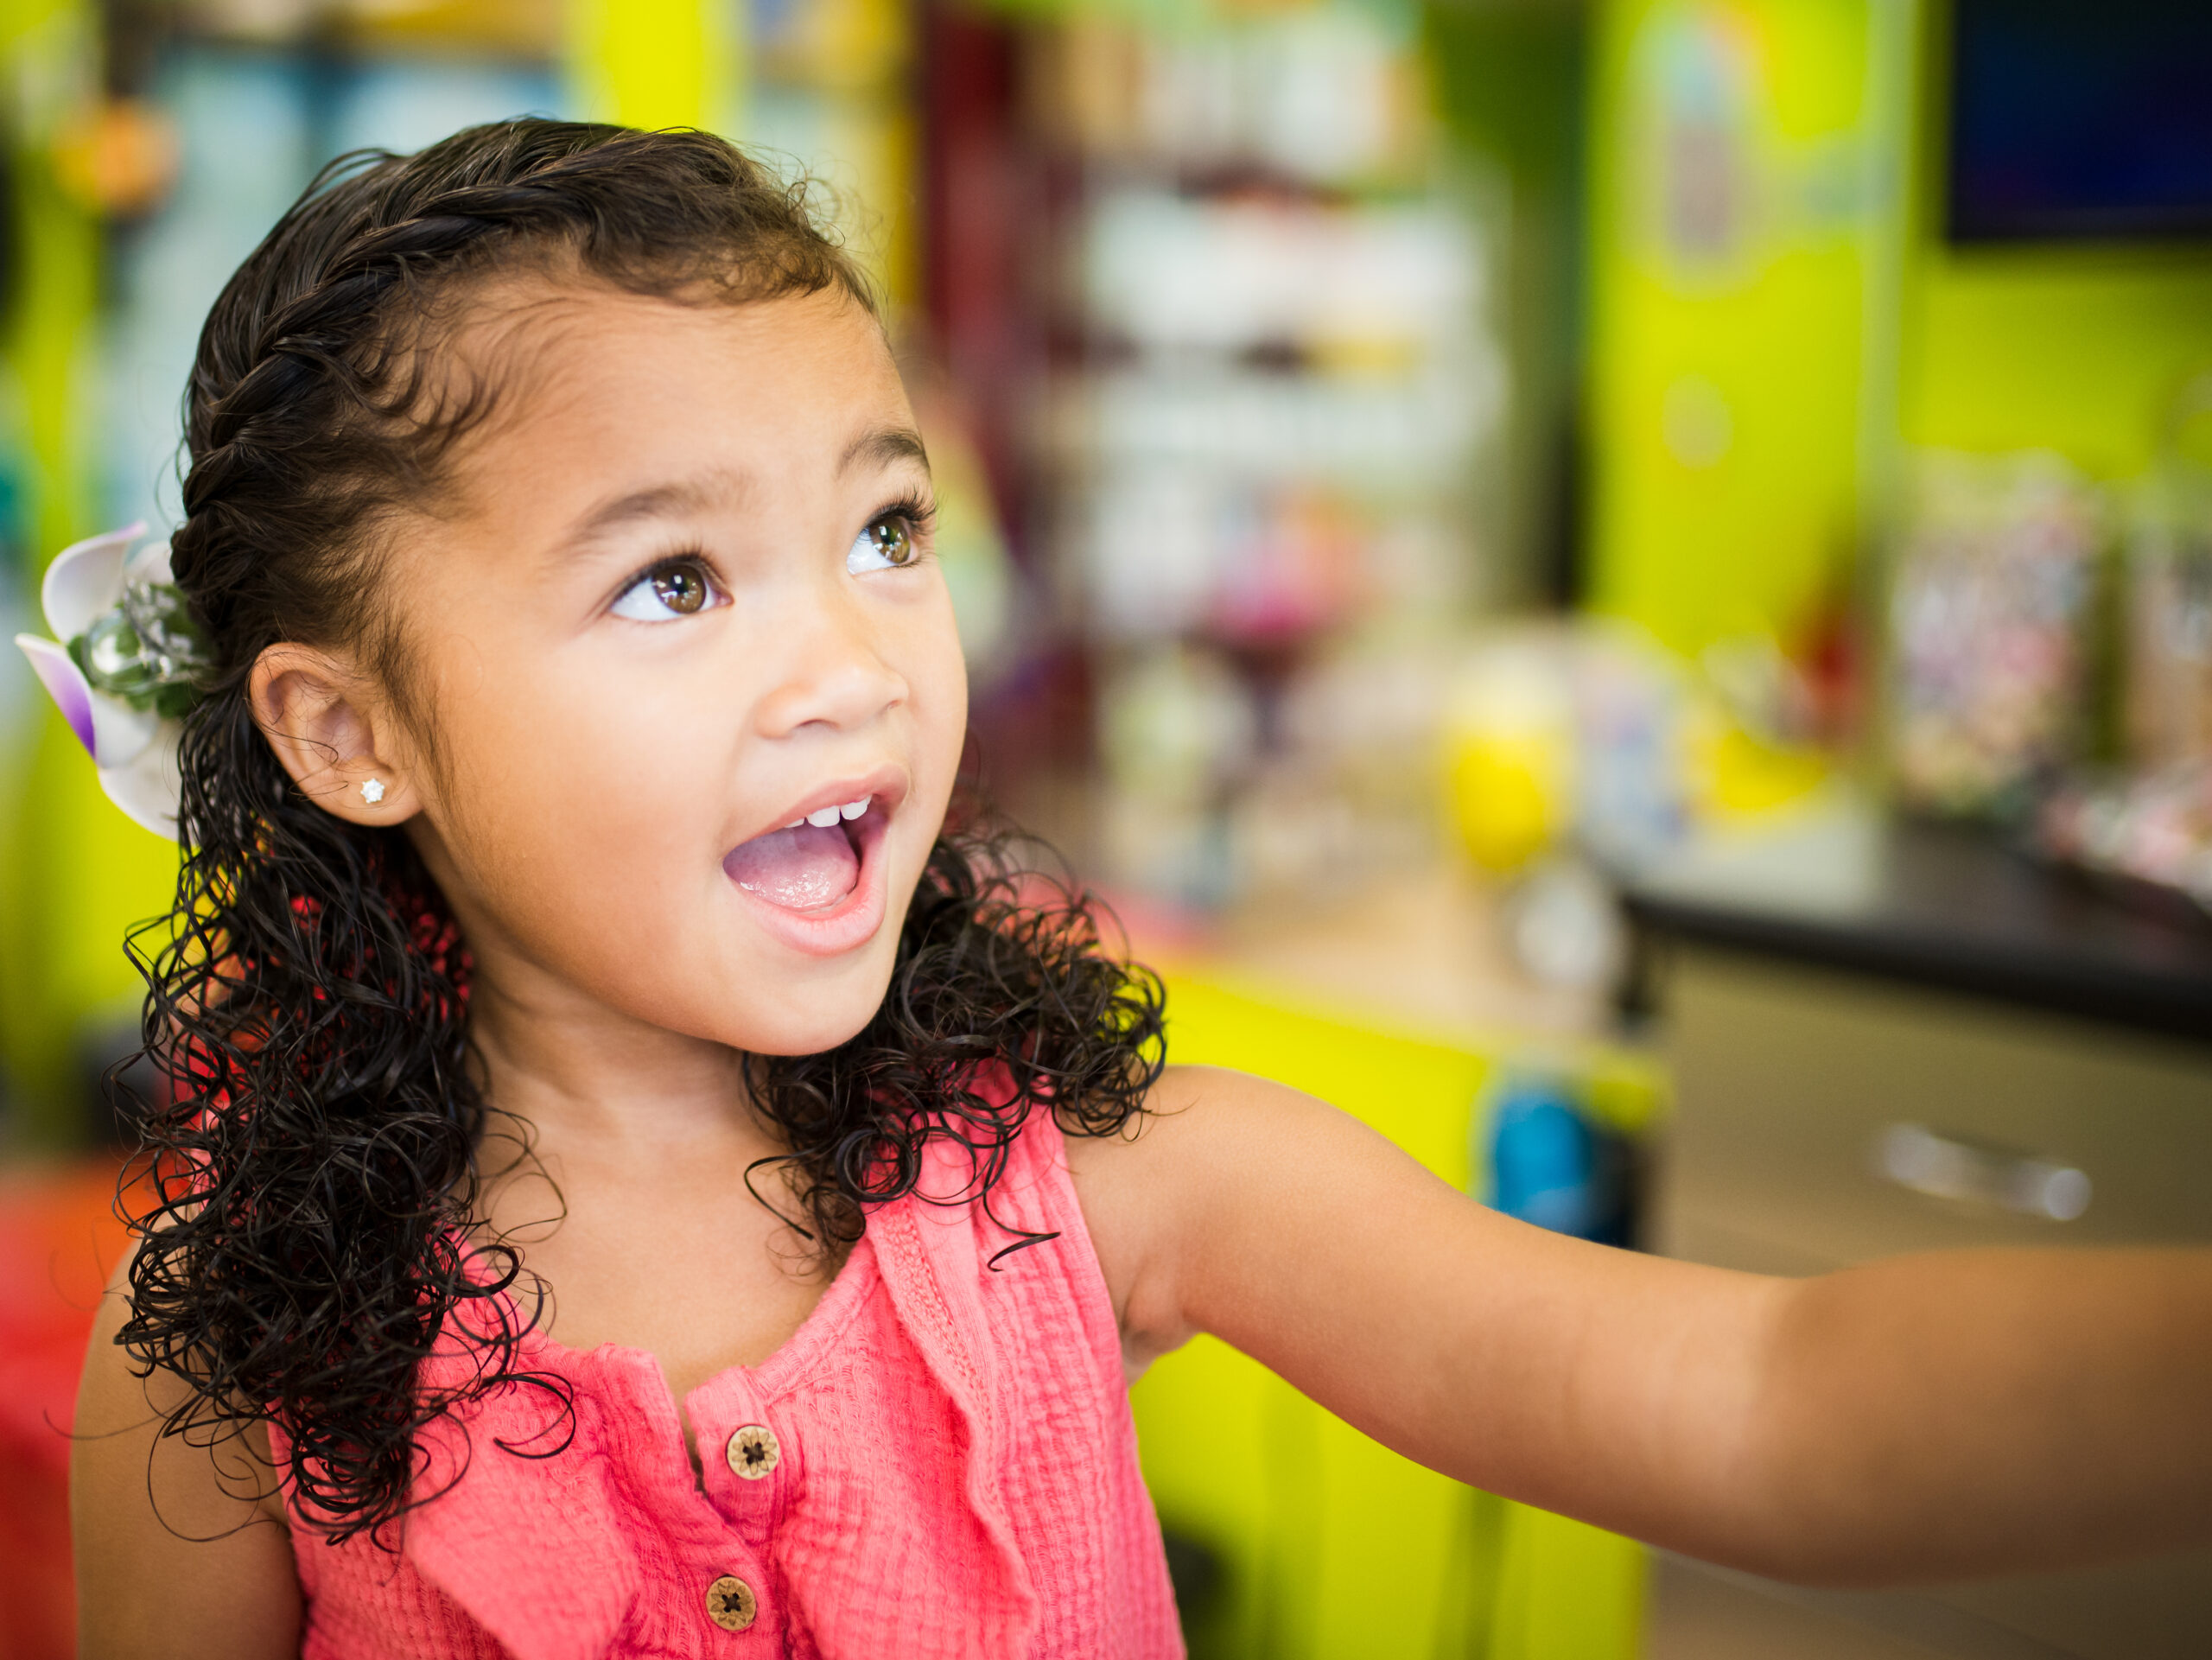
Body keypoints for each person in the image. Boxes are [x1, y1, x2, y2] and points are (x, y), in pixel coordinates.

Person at [54, 122, 2212, 1660]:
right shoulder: (243, 1378)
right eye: (675, 576)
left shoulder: (1083, 1188)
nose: (850, 662)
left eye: (886, 531)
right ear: (352, 733)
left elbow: (1767, 1406)